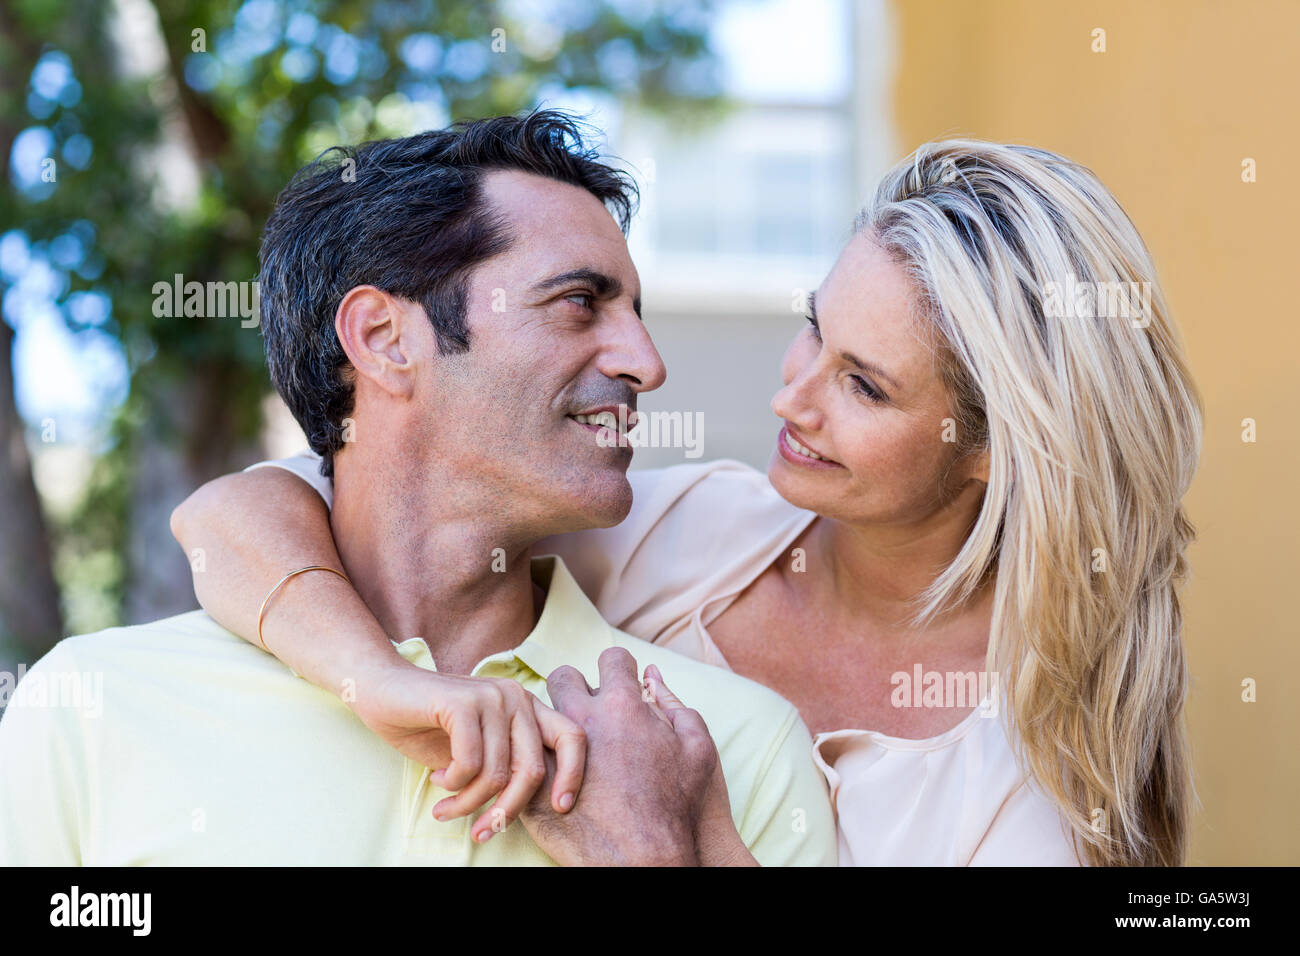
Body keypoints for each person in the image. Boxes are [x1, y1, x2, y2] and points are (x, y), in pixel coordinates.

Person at [172, 135, 1205, 866]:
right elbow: (244, 518)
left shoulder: (1024, 796)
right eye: (814, 329)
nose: (788, 396)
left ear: (990, 450)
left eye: (863, 385)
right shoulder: (686, 530)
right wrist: (371, 678)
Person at [0, 112, 838, 867]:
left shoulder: (726, 749)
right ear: (385, 339)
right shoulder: (96, 709)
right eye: (580, 303)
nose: (646, 365)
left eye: (636, 314)